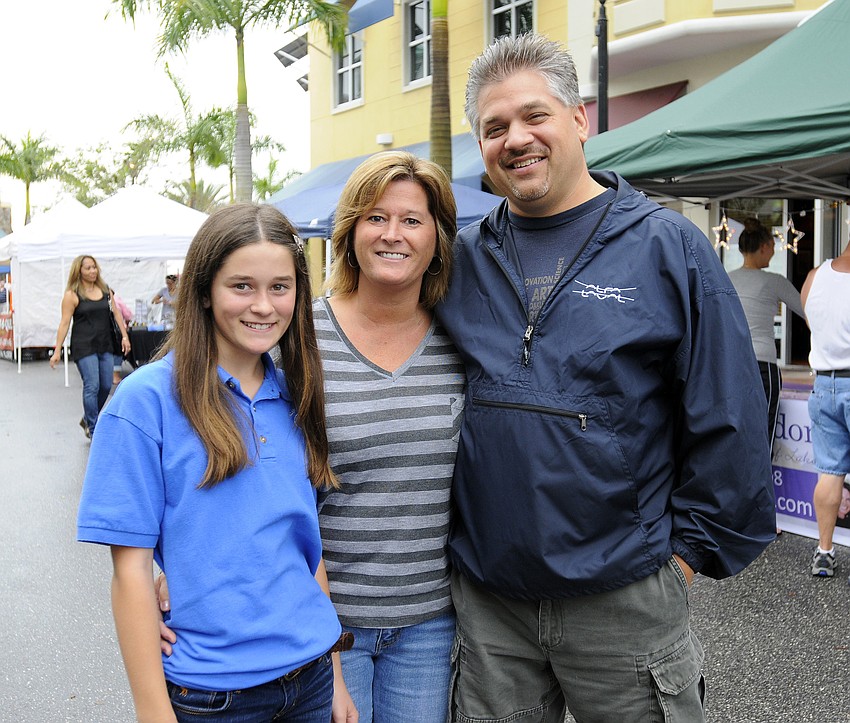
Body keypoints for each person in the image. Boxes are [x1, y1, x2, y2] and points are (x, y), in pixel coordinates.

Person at [435, 33, 775, 723]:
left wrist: (681, 562)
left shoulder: (664, 245)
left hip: (625, 597)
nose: (516, 139)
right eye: (494, 127)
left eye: (535, 116)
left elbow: (729, 412)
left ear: (580, 119)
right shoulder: (459, 260)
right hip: (492, 607)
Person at [76, 204, 356, 722]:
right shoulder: (145, 402)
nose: (264, 305)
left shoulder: (296, 393)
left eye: (281, 286)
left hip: (312, 677)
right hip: (212, 697)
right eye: (242, 286)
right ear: (204, 290)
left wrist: (336, 676)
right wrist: (154, 713)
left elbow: (303, 545)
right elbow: (131, 573)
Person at [315, 151, 464, 722]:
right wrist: (172, 567)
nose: (392, 234)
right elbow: (234, 450)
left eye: (411, 219)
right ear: (350, 231)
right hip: (325, 620)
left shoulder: (463, 335)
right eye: (375, 217)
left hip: (430, 623)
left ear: (437, 237)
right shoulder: (301, 335)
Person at [728, 218, 806, 453]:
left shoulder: (727, 278)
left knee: (735, 428)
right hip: (763, 365)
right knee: (764, 431)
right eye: (772, 246)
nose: (773, 252)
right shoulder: (773, 281)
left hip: (731, 363)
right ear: (763, 247)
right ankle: (762, 486)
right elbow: (808, 309)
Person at [802, 237, 850, 579]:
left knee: (830, 473)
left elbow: (811, 324)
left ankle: (824, 552)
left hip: (823, 385)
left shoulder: (814, 276)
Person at [49, 255, 131, 438]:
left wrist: (125, 336)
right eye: (88, 268)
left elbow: (117, 314)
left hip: (105, 343)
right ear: (79, 270)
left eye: (94, 267)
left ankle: (87, 418)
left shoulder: (105, 290)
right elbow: (64, 323)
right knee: (92, 385)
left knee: (104, 386)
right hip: (84, 346)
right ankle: (93, 429)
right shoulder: (72, 295)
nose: (93, 271)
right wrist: (57, 351)